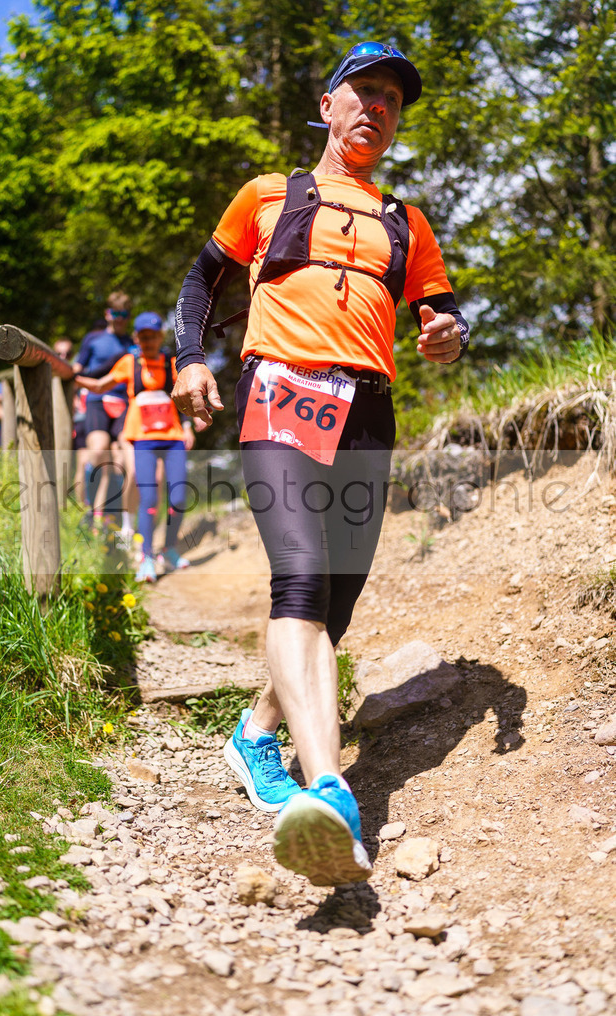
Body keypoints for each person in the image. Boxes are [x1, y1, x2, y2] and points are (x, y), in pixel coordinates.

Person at [171, 41, 470, 886]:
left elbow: (442, 321)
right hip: (280, 392)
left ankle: (255, 734)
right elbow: (199, 284)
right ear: (327, 103)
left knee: (335, 602)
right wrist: (187, 359)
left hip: (368, 410)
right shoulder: (268, 195)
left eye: (392, 100)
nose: (377, 107)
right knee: (298, 580)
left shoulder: (407, 222)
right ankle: (331, 791)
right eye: (363, 91)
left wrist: (447, 337)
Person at [76, 311, 201, 582]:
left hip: (173, 437)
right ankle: (145, 557)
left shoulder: (172, 363)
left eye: (152, 336)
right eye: (143, 336)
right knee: (150, 498)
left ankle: (168, 548)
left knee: (178, 498)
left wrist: (191, 424)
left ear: (160, 336)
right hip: (142, 438)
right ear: (136, 337)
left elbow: (183, 397)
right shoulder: (128, 362)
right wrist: (69, 378)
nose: (148, 341)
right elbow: (99, 385)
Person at [72, 291, 137, 536]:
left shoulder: (133, 342)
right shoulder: (93, 339)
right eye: (116, 314)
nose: (120, 319)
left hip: (123, 403)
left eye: (125, 315)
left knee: (120, 462)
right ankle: (89, 510)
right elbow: (77, 369)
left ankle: (114, 520)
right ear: (107, 314)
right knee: (98, 453)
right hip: (97, 401)